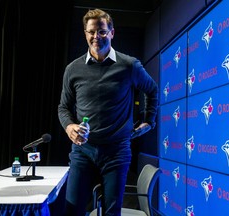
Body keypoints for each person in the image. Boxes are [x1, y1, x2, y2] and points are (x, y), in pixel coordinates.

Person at [58, 8, 158, 216]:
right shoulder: (73, 69)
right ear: (85, 33)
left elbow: (152, 89)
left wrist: (149, 120)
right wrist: (69, 127)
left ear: (112, 32)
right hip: (83, 151)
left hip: (117, 151)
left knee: (112, 212)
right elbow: (64, 107)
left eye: (102, 31)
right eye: (92, 32)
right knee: (72, 210)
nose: (97, 37)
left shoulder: (129, 65)